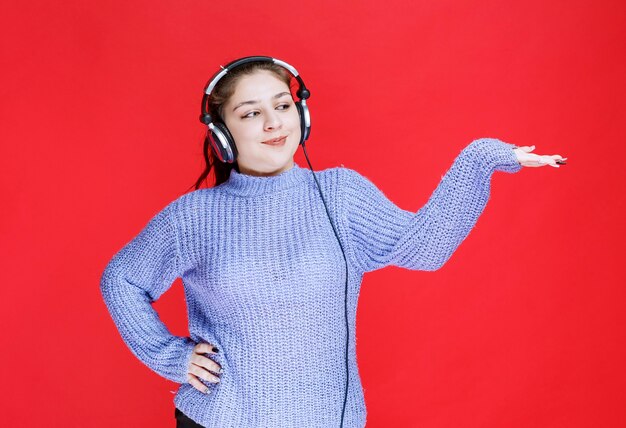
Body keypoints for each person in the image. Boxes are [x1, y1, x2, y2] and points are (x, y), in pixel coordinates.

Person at [100, 57, 567, 428]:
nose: (272, 123)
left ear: (301, 113)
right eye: (250, 113)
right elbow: (121, 279)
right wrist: (170, 357)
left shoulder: (340, 195)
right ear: (223, 133)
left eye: (282, 106)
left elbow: (425, 248)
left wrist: (479, 159)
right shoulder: (193, 217)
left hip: (330, 418)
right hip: (223, 419)